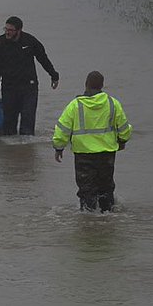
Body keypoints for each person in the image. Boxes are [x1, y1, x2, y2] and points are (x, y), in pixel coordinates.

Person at [53, 71, 132, 212]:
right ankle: (107, 215)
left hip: (83, 155)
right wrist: (122, 140)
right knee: (106, 187)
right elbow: (124, 127)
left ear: (86, 85)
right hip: (107, 154)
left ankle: (88, 219)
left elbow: (62, 129)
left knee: (86, 189)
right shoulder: (113, 103)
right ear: (102, 85)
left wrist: (59, 148)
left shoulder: (75, 105)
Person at [0, 16, 59, 136]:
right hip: (9, 88)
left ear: (19, 30)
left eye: (10, 30)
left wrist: (54, 75)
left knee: (28, 121)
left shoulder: (30, 41)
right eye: (5, 29)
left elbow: (43, 59)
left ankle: (27, 149)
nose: (7, 32)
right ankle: (11, 152)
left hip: (29, 87)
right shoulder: (0, 44)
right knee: (9, 126)